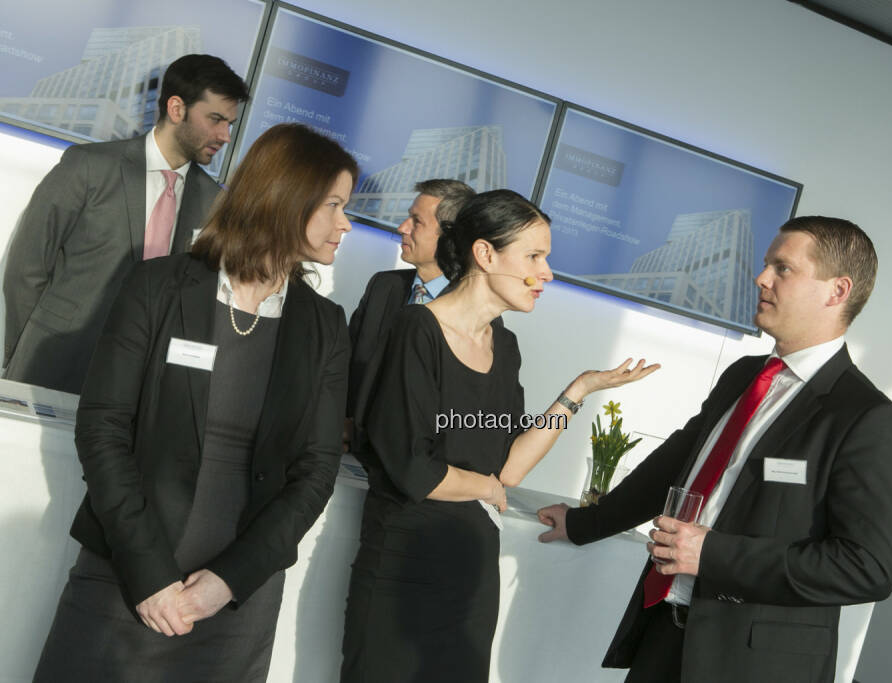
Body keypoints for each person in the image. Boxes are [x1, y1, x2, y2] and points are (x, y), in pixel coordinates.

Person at [32, 123, 357, 682]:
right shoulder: (158, 287)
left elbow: (315, 470)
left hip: (236, 604)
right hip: (128, 577)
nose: (345, 224)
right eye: (334, 205)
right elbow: (104, 429)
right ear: (286, 197)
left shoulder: (324, 325)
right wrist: (149, 574)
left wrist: (227, 581)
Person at [537, 216, 892, 682]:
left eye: (783, 268)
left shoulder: (867, 418)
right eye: (765, 265)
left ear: (836, 291)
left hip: (755, 665)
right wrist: (584, 522)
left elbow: (867, 567)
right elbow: (676, 464)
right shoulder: (743, 376)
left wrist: (712, 555)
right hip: (666, 634)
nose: (761, 278)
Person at [340, 190, 660, 682]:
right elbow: (414, 469)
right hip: (402, 567)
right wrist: (486, 488)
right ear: (485, 254)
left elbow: (510, 466)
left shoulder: (504, 345)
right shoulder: (415, 329)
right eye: (534, 256)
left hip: (471, 573)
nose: (547, 273)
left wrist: (580, 389)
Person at [3, 54, 249, 394]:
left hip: (135, 391)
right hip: (49, 368)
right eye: (216, 119)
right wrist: (21, 349)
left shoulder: (213, 203)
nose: (224, 135)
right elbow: (25, 269)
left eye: (230, 124)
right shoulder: (89, 166)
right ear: (177, 109)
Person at [346, 178, 475, 442]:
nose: (402, 228)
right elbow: (345, 368)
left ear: (451, 237)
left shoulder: (475, 314)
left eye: (416, 221)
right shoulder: (383, 286)